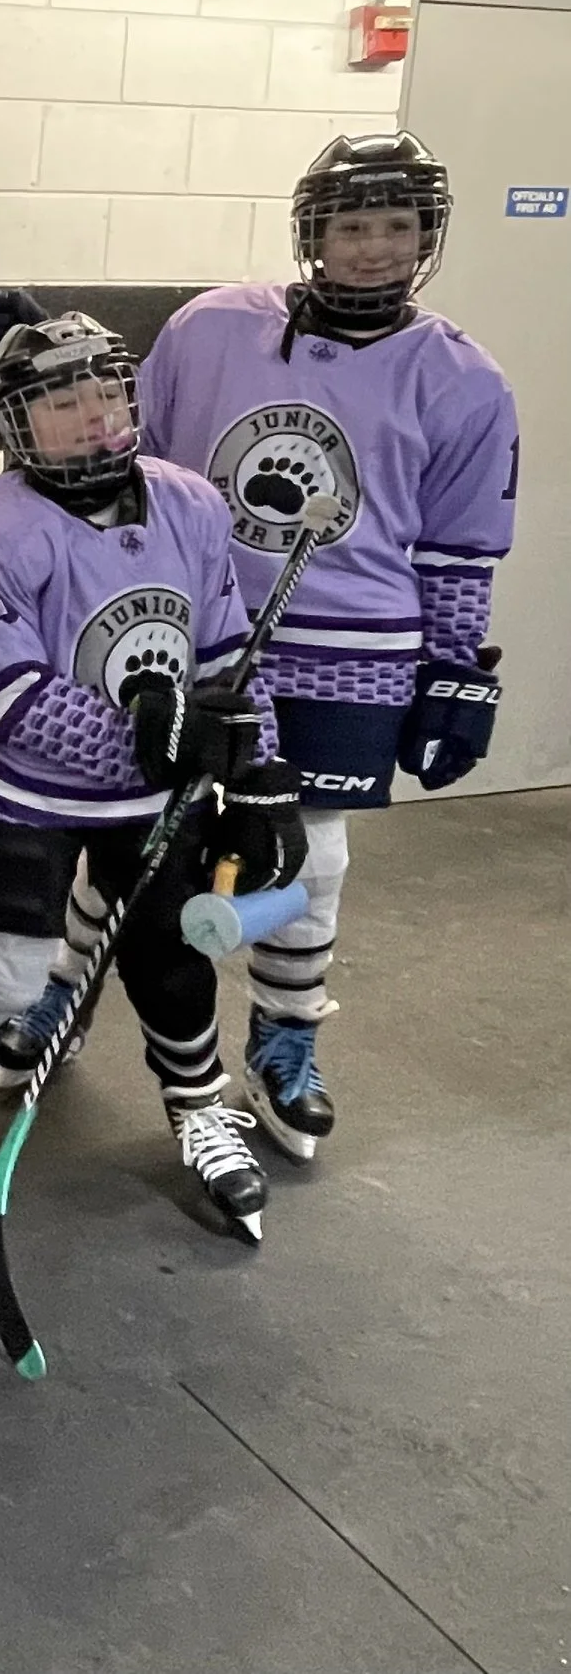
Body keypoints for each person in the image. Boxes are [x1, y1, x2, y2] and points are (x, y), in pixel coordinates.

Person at [133, 132, 517, 1164]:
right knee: (144, 833)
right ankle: (66, 998)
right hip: (203, 635)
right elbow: (143, 476)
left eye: (399, 228)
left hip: (357, 647)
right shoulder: (208, 329)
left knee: (314, 855)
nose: (374, 250)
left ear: (426, 239)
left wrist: (452, 669)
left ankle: (284, 1037)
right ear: (313, 232)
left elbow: (456, 549)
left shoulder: (462, 378)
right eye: (354, 226)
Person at [0, 313, 305, 1238]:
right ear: (18, 422)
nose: (90, 417)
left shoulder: (191, 503)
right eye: (61, 403)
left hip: (152, 799)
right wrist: (164, 739)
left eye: (104, 394)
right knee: (4, 972)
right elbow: (15, 702)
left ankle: (200, 1106)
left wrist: (258, 773)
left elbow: (228, 657)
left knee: (177, 960)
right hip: (27, 796)